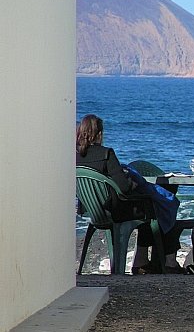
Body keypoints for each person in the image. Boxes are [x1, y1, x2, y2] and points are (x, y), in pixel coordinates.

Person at [75, 114, 184, 274]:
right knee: (158, 204)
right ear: (99, 134)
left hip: (94, 211)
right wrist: (133, 180)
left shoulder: (76, 157)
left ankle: (142, 261)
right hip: (116, 211)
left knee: (152, 204)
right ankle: (168, 261)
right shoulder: (106, 154)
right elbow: (125, 188)